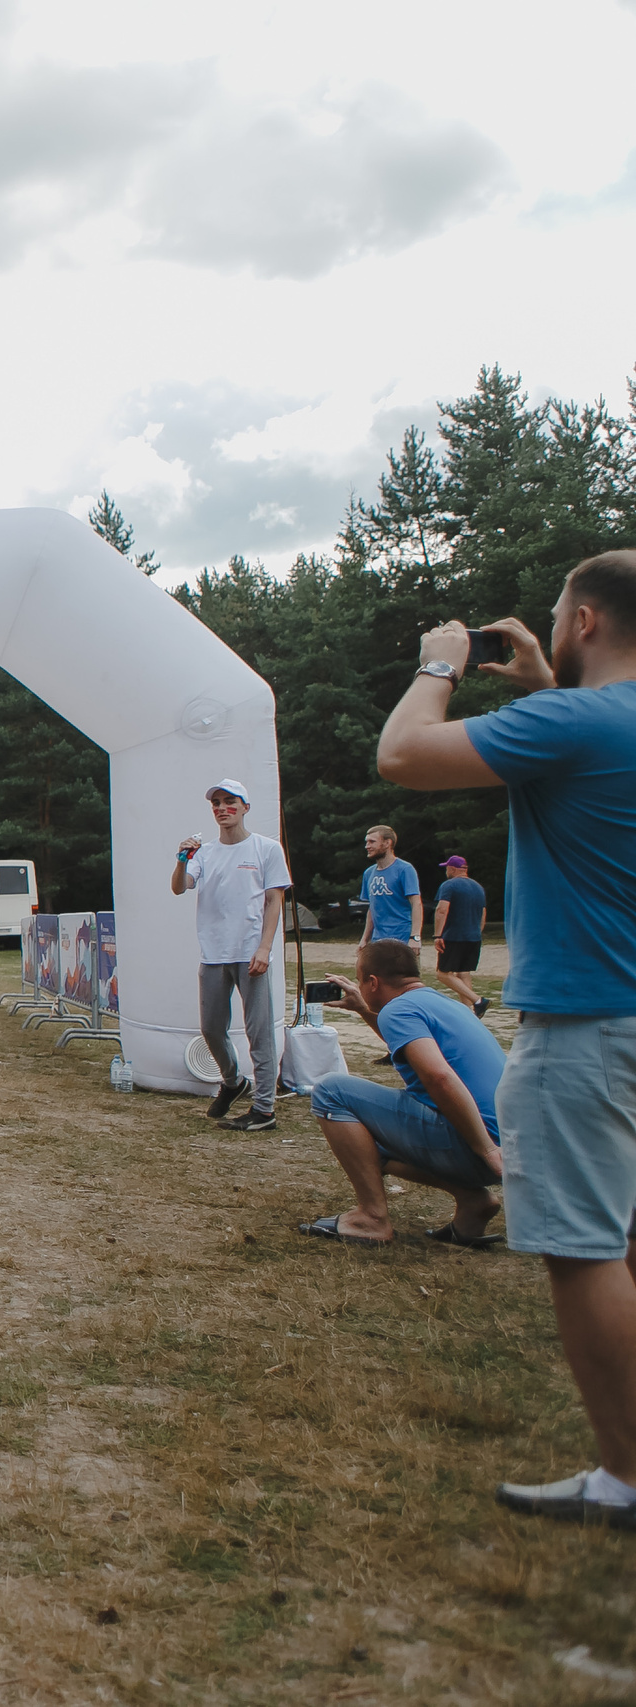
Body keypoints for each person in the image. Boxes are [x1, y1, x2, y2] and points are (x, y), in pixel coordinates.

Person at [375, 551, 636, 1533]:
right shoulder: (588, 722)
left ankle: (624, 1476)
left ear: (584, 624)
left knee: (582, 1245)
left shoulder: (570, 722)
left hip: (587, 1021)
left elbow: (402, 754)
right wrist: (539, 679)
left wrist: (439, 663)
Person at [296, 941, 504, 1249]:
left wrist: (486, 1149)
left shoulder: (398, 1009)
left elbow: (439, 1077)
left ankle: (372, 1218)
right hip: (510, 1143)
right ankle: (472, 1200)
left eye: (360, 979)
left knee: (331, 1091)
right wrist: (364, 1009)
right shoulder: (444, 1003)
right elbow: (410, 1046)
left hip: (482, 1148)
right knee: (361, 1134)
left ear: (373, 982)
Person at [171, 779, 291, 1133]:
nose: (222, 808)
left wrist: (265, 948)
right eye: (217, 804)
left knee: (259, 1031)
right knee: (211, 1028)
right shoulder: (204, 852)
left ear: (245, 808)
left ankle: (265, 1108)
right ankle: (233, 1081)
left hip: (250, 952)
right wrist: (181, 860)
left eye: (230, 802)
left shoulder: (266, 849)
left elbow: (274, 901)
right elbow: (179, 886)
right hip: (214, 953)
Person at [433, 854, 490, 1016]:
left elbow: (441, 910)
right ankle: (469, 1014)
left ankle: (478, 1000)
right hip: (473, 937)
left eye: (446, 868)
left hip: (453, 936)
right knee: (463, 973)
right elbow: (483, 913)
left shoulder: (449, 885)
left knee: (443, 974)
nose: (446, 871)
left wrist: (438, 935)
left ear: (452, 869)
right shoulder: (478, 887)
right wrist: (477, 932)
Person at [357, 824, 421, 947]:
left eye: (372, 842)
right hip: (378, 940)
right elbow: (372, 907)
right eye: (366, 842)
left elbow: (416, 903)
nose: (367, 846)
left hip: (402, 938)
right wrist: (365, 939)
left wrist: (415, 937)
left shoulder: (404, 869)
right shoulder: (369, 873)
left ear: (387, 843)